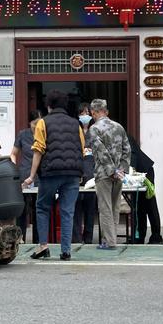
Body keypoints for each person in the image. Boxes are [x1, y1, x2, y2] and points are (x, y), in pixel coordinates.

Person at [22, 90, 84, 261]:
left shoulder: (43, 123)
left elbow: (38, 150)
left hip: (51, 173)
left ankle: (43, 246)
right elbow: (81, 148)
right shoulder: (75, 124)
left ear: (49, 106)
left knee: (42, 207)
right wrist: (80, 172)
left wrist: (31, 176)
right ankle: (66, 251)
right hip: (72, 173)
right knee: (67, 211)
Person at [88, 98, 131, 250]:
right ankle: (110, 239)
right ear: (106, 111)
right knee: (115, 207)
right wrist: (121, 170)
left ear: (93, 112)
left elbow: (101, 152)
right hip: (119, 174)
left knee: (105, 208)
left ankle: (110, 242)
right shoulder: (119, 127)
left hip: (103, 174)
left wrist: (111, 170)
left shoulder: (94, 129)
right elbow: (127, 150)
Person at [11, 110, 42, 243]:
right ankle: (20, 237)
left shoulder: (44, 133)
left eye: (40, 122)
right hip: (24, 174)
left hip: (40, 175)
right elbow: (13, 153)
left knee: (38, 208)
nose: (37, 126)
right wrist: (14, 169)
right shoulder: (23, 134)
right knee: (22, 208)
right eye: (35, 123)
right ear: (30, 123)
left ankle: (38, 240)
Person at [128, 134, 163, 245]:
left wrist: (131, 171)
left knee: (150, 204)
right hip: (135, 175)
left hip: (145, 172)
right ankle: (139, 237)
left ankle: (156, 236)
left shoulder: (122, 135)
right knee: (138, 207)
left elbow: (132, 153)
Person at [72, 103, 96, 244]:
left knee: (90, 208)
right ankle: (76, 237)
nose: (84, 115)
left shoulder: (95, 130)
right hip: (78, 172)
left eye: (86, 112)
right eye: (82, 113)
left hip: (92, 173)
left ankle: (88, 238)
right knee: (76, 207)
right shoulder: (75, 130)